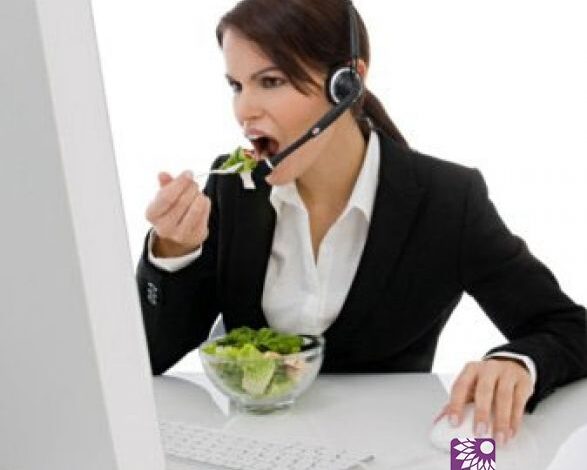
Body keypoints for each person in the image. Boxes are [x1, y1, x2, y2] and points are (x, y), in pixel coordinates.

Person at [136, 0, 587, 448]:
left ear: (347, 83)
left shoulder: (446, 200)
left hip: (388, 453)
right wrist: (173, 252)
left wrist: (517, 363)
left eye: (271, 81)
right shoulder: (232, 188)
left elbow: (569, 327)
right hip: (251, 450)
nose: (244, 110)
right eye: (236, 85)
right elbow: (147, 357)